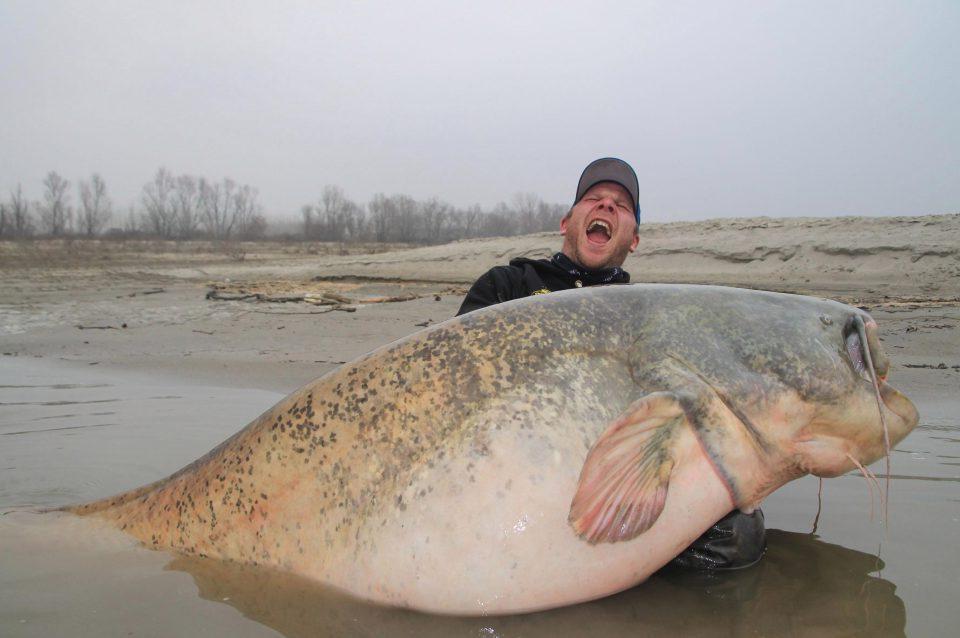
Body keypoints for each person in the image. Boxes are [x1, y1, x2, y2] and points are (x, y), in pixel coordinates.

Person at [456, 157, 766, 570]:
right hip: (509, 461)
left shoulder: (650, 317)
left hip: (615, 472)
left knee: (738, 536)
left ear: (634, 239)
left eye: (620, 205)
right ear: (567, 222)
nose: (605, 207)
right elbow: (455, 380)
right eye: (594, 198)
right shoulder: (507, 285)